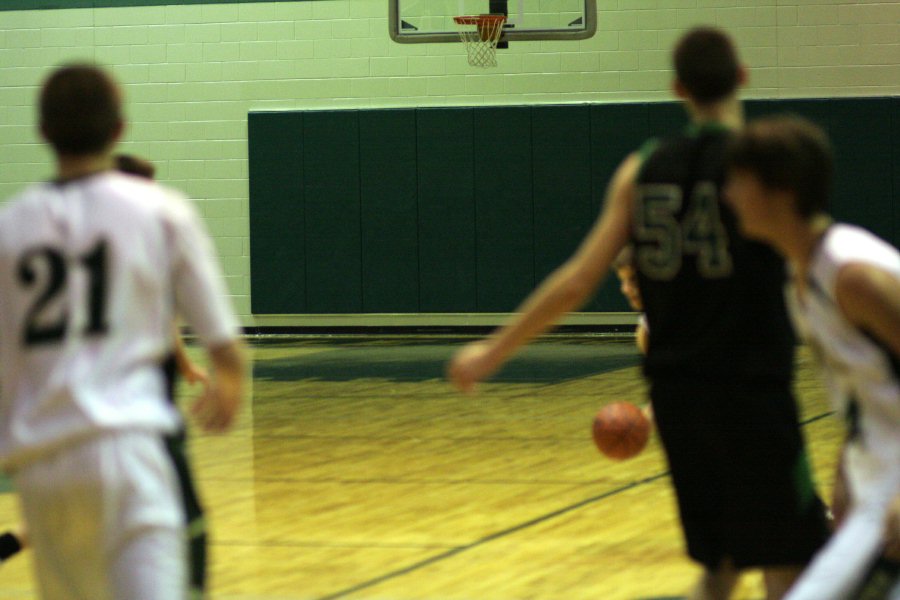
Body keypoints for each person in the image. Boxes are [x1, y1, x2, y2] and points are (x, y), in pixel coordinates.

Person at [447, 27, 829, 599]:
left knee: (720, 567)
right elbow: (811, 262)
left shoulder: (641, 168)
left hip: (678, 399)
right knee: (788, 562)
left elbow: (577, 280)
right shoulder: (760, 164)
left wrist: (491, 350)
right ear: (743, 75)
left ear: (677, 88)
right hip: (750, 389)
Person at [0, 63, 245, 599]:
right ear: (118, 129)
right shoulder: (161, 211)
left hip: (42, 465)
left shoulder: (9, 226)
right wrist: (229, 380)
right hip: (129, 450)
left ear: (41, 133)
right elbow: (224, 341)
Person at [0, 153, 212, 572]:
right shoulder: (128, 239)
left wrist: (185, 363)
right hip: (127, 415)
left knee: (84, 510)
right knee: (156, 519)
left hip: (109, 414)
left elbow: (162, 320)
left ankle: (11, 543)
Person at [725, 115, 900, 600]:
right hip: (873, 487)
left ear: (781, 192)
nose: (728, 195)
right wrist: (847, 466)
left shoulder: (853, 274)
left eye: (740, 181)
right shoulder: (800, 276)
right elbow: (870, 396)